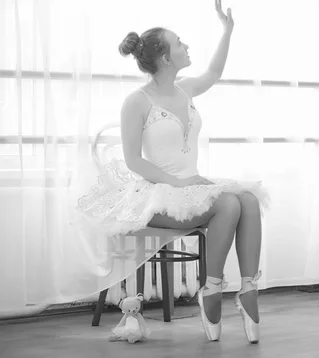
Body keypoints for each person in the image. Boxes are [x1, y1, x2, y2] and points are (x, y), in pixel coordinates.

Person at [76, 0, 268, 344]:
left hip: (192, 185)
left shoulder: (186, 89)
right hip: (159, 191)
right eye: (180, 43)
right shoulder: (136, 101)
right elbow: (134, 161)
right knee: (229, 204)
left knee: (249, 200)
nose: (187, 46)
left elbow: (214, 73)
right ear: (166, 58)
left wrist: (228, 30)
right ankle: (212, 289)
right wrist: (180, 183)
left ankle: (249, 289)